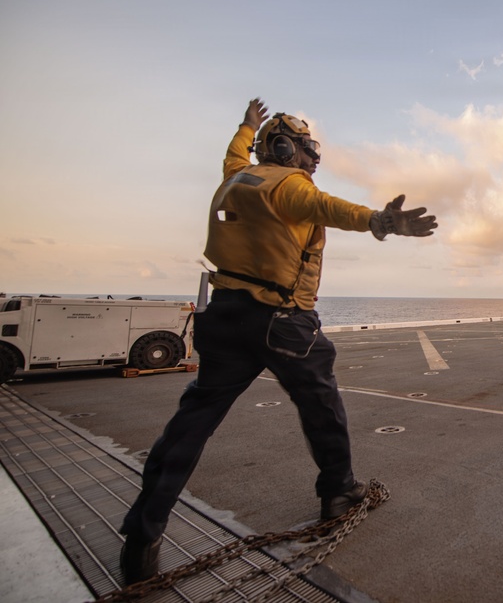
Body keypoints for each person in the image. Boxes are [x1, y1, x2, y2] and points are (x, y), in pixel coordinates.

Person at [118, 99, 437, 585]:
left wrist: (247, 126)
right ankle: (338, 490)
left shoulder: (236, 176)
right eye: (307, 148)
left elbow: (233, 153)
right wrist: (381, 221)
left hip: (224, 315)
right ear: (284, 148)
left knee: (192, 422)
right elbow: (328, 208)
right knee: (321, 404)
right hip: (282, 320)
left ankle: (143, 535)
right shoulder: (289, 186)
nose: (314, 157)